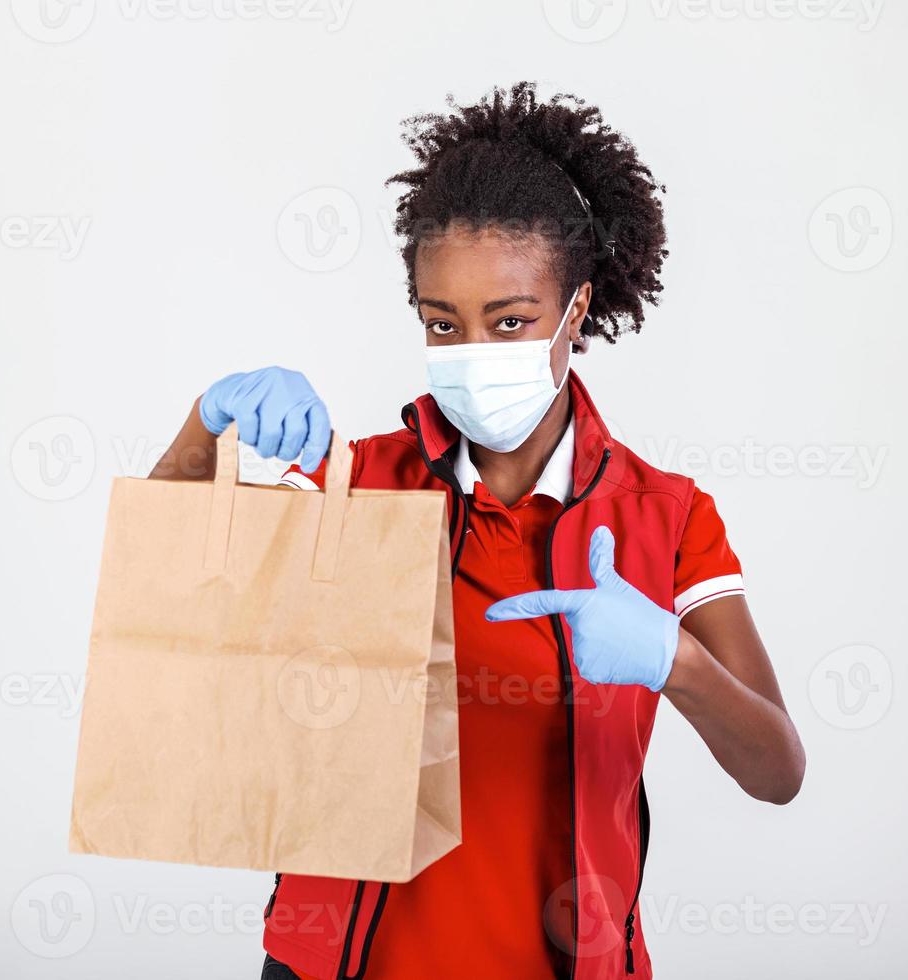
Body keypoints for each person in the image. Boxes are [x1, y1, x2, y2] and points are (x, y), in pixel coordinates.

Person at [149, 81, 805, 980]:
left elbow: (778, 771)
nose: (474, 354)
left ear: (574, 311)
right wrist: (204, 425)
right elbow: (161, 593)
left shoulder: (666, 517)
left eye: (510, 321)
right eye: (442, 324)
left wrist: (673, 662)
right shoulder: (360, 483)